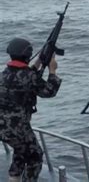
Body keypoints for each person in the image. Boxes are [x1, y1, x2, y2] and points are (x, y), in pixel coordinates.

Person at [0, 38, 62, 182]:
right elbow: (49, 91)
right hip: (17, 127)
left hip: (2, 127)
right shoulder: (30, 77)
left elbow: (23, 76)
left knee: (21, 150)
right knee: (35, 156)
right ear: (27, 55)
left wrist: (39, 62)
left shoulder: (4, 74)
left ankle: (13, 178)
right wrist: (53, 71)